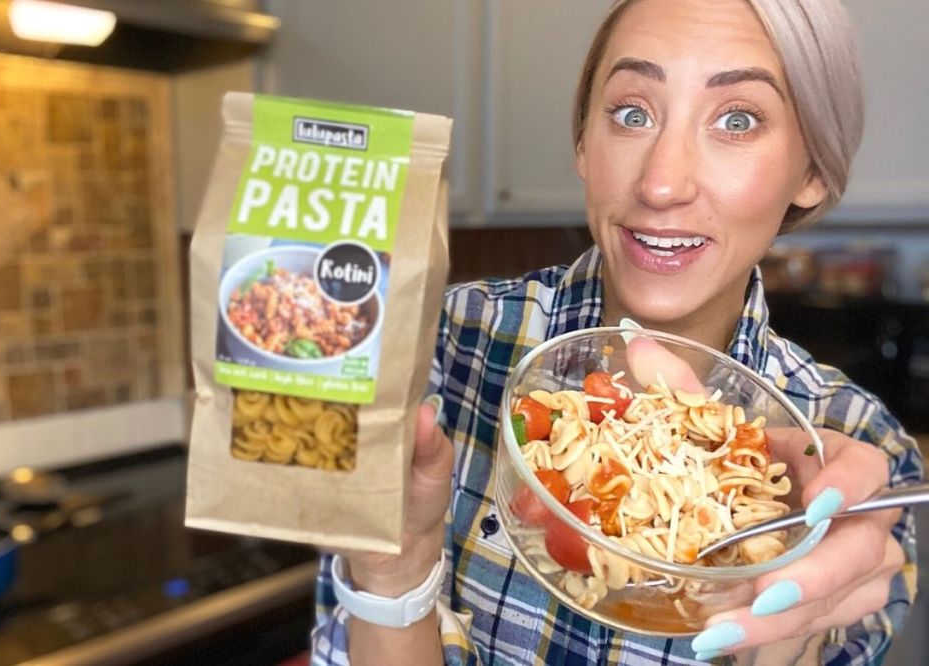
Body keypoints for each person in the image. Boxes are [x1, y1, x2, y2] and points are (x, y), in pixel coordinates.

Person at [310, 0, 925, 663]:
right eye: (632, 114)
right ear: (583, 142)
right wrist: (392, 581)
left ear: (813, 171)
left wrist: (782, 641)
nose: (661, 185)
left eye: (738, 120)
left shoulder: (857, 459)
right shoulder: (435, 347)